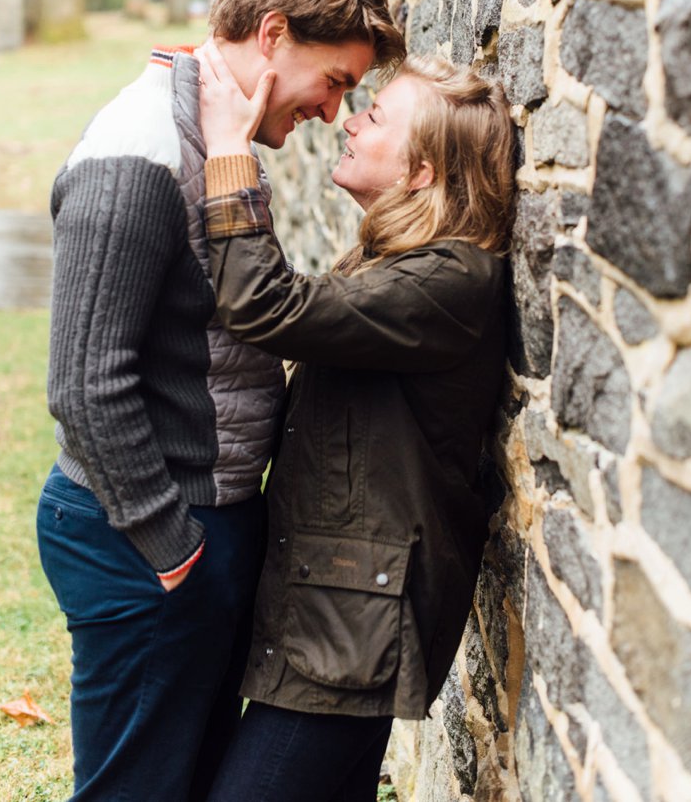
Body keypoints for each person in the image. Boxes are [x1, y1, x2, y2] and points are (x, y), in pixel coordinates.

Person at [36, 0, 405, 799]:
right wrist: (171, 548)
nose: (328, 111)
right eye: (335, 82)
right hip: (144, 536)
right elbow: (83, 385)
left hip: (207, 525)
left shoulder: (216, 134)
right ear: (273, 35)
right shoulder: (139, 154)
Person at [193, 46, 515, 801]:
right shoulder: (401, 261)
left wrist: (228, 152)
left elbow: (267, 307)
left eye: (375, 116)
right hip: (327, 607)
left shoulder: (447, 280)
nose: (349, 121)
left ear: (422, 172)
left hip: (350, 625)